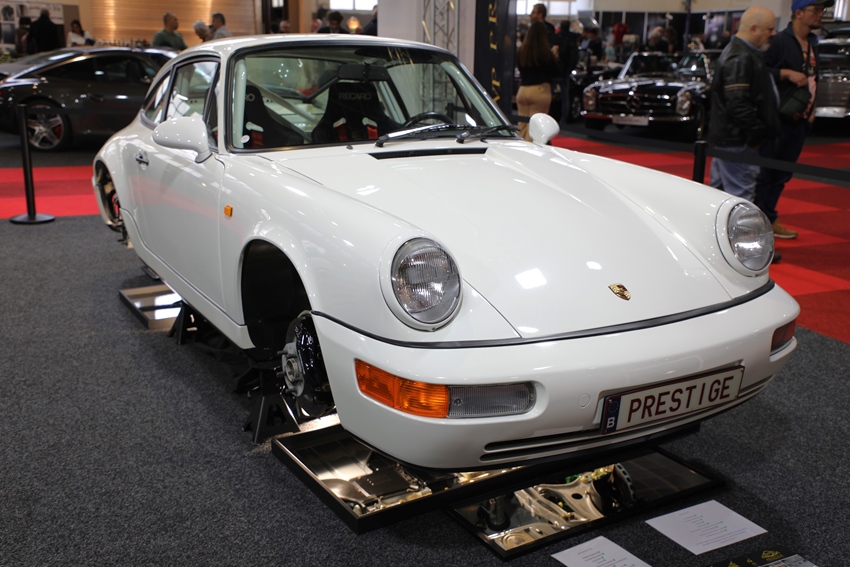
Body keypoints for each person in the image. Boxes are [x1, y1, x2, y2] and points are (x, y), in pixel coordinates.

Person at [755, 0, 833, 240]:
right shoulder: (779, 41)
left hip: (800, 119)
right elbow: (759, 71)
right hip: (778, 119)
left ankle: (769, 218)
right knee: (766, 173)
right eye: (816, 10)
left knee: (783, 174)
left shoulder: (813, 43)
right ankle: (756, 222)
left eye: (822, 10)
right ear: (799, 13)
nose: (820, 14)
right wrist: (785, 73)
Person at [708, 6, 780, 207]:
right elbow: (737, 104)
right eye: (770, 29)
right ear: (754, 29)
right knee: (740, 201)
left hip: (731, 139)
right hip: (738, 141)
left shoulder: (740, 53)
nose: (773, 33)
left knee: (719, 197)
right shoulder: (740, 56)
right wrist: (756, 134)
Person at [516, 21, 559, 141]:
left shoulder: (520, 51)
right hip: (540, 91)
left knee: (522, 127)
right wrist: (555, 56)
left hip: (523, 91)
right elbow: (556, 72)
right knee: (536, 130)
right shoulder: (546, 53)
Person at [554, 20, 580, 126]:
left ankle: (550, 116)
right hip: (566, 72)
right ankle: (564, 119)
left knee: (550, 94)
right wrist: (570, 69)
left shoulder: (557, 38)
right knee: (565, 97)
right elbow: (575, 57)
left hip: (556, 70)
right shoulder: (573, 39)